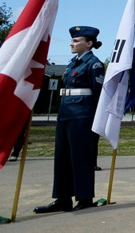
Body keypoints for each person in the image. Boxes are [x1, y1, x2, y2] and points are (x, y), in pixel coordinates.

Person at [35, 26, 104, 213]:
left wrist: (98, 118)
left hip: (83, 114)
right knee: (62, 157)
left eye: (76, 41)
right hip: (66, 113)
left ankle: (84, 197)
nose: (71, 43)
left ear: (88, 44)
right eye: (72, 40)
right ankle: (62, 198)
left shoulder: (94, 64)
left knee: (81, 157)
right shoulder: (73, 63)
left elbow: (99, 94)